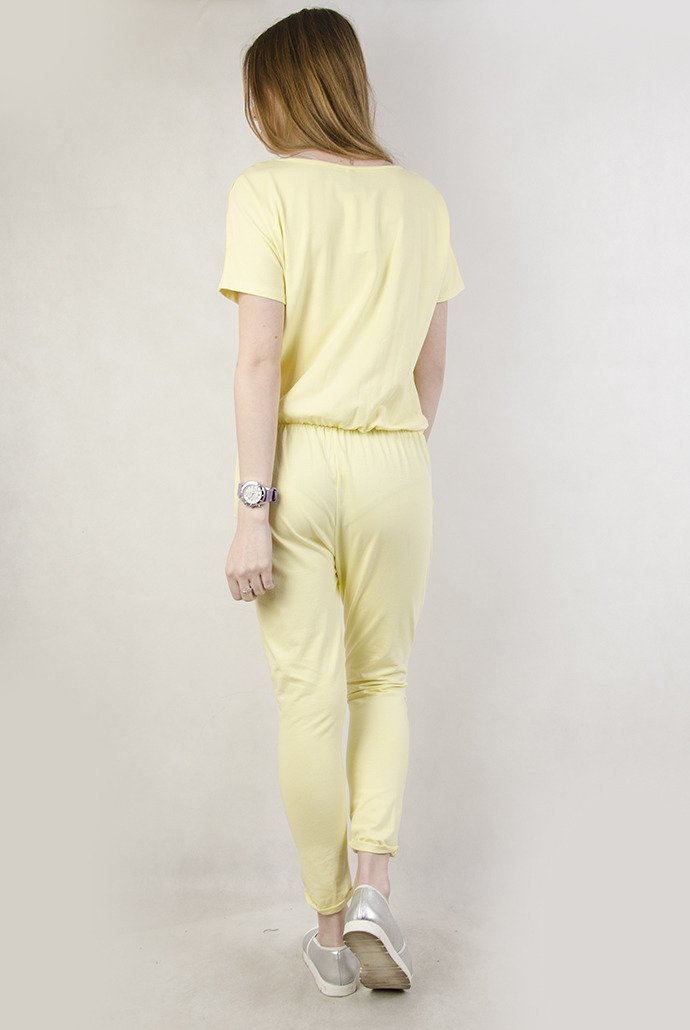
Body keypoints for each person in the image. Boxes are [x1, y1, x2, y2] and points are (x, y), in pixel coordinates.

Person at [218, 7, 465, 997]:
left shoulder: (265, 189)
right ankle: (375, 892)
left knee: (309, 701)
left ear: (285, 90)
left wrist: (253, 507)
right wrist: (395, 458)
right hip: (398, 460)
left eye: (259, 94)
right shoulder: (422, 199)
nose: (254, 114)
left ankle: (329, 934)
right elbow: (431, 366)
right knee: (382, 684)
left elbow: (259, 359)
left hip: (301, 464)